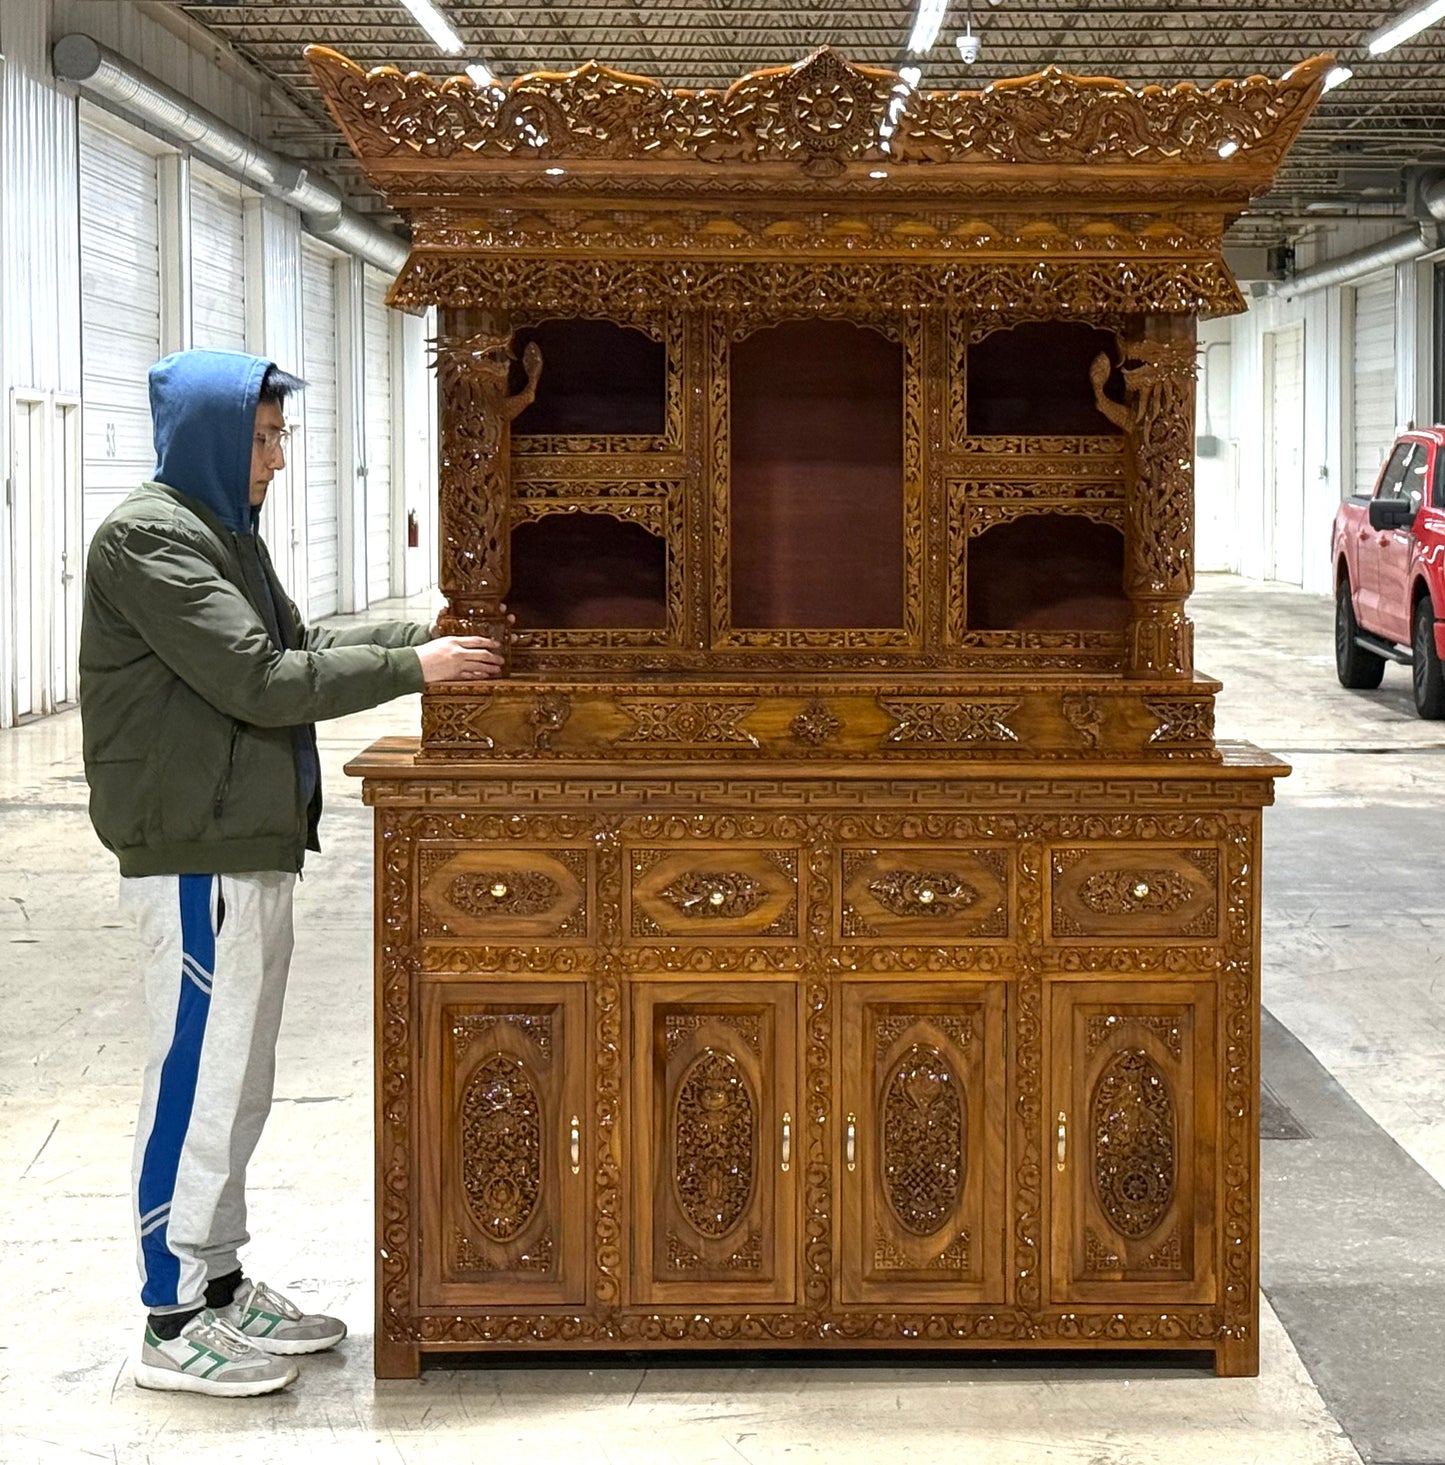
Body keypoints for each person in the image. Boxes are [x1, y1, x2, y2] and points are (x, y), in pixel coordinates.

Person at [79, 349, 503, 1396]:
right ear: (216, 438)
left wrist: (426, 631)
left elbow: (298, 638)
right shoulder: (148, 540)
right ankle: (169, 1318)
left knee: (241, 1078)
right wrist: (415, 670)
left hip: (244, 837)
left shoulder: (221, 534)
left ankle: (218, 1281)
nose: (275, 458)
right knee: (195, 1074)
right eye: (262, 438)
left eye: (279, 437)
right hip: (195, 847)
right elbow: (260, 680)